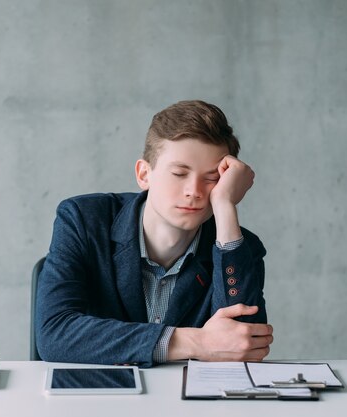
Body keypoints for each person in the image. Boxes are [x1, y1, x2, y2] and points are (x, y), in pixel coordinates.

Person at [35, 100, 273, 367]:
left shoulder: (238, 247)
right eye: (179, 173)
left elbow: (243, 345)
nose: (194, 191)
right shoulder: (84, 219)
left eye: (211, 179)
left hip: (188, 406)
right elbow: (55, 333)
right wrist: (197, 342)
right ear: (144, 174)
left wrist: (225, 207)